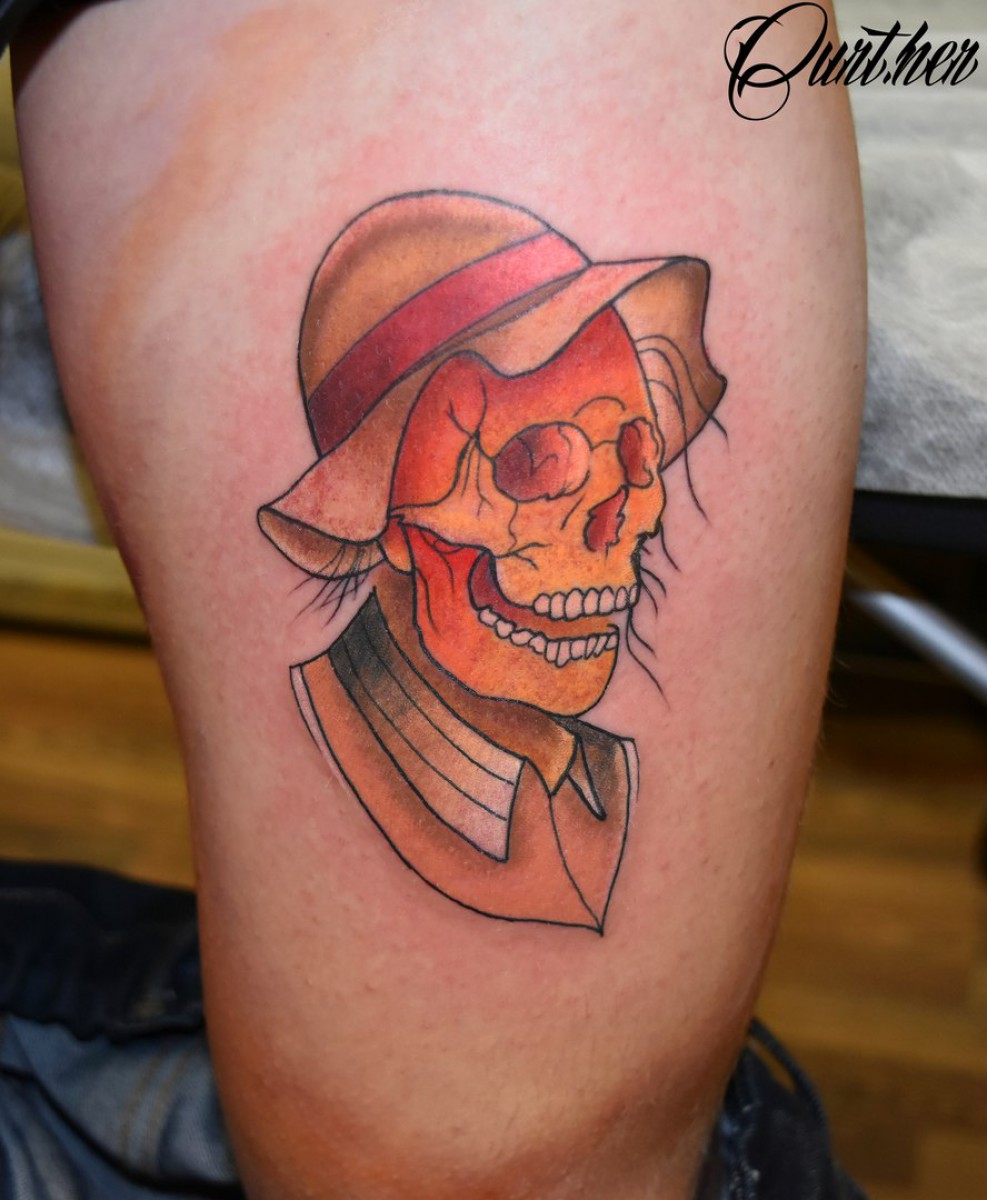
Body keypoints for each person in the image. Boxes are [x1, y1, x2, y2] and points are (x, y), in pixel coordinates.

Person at [3, 2, 867, 1196]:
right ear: (387, 516)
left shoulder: (599, 782)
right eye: (534, 462)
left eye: (634, 458)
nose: (625, 517)